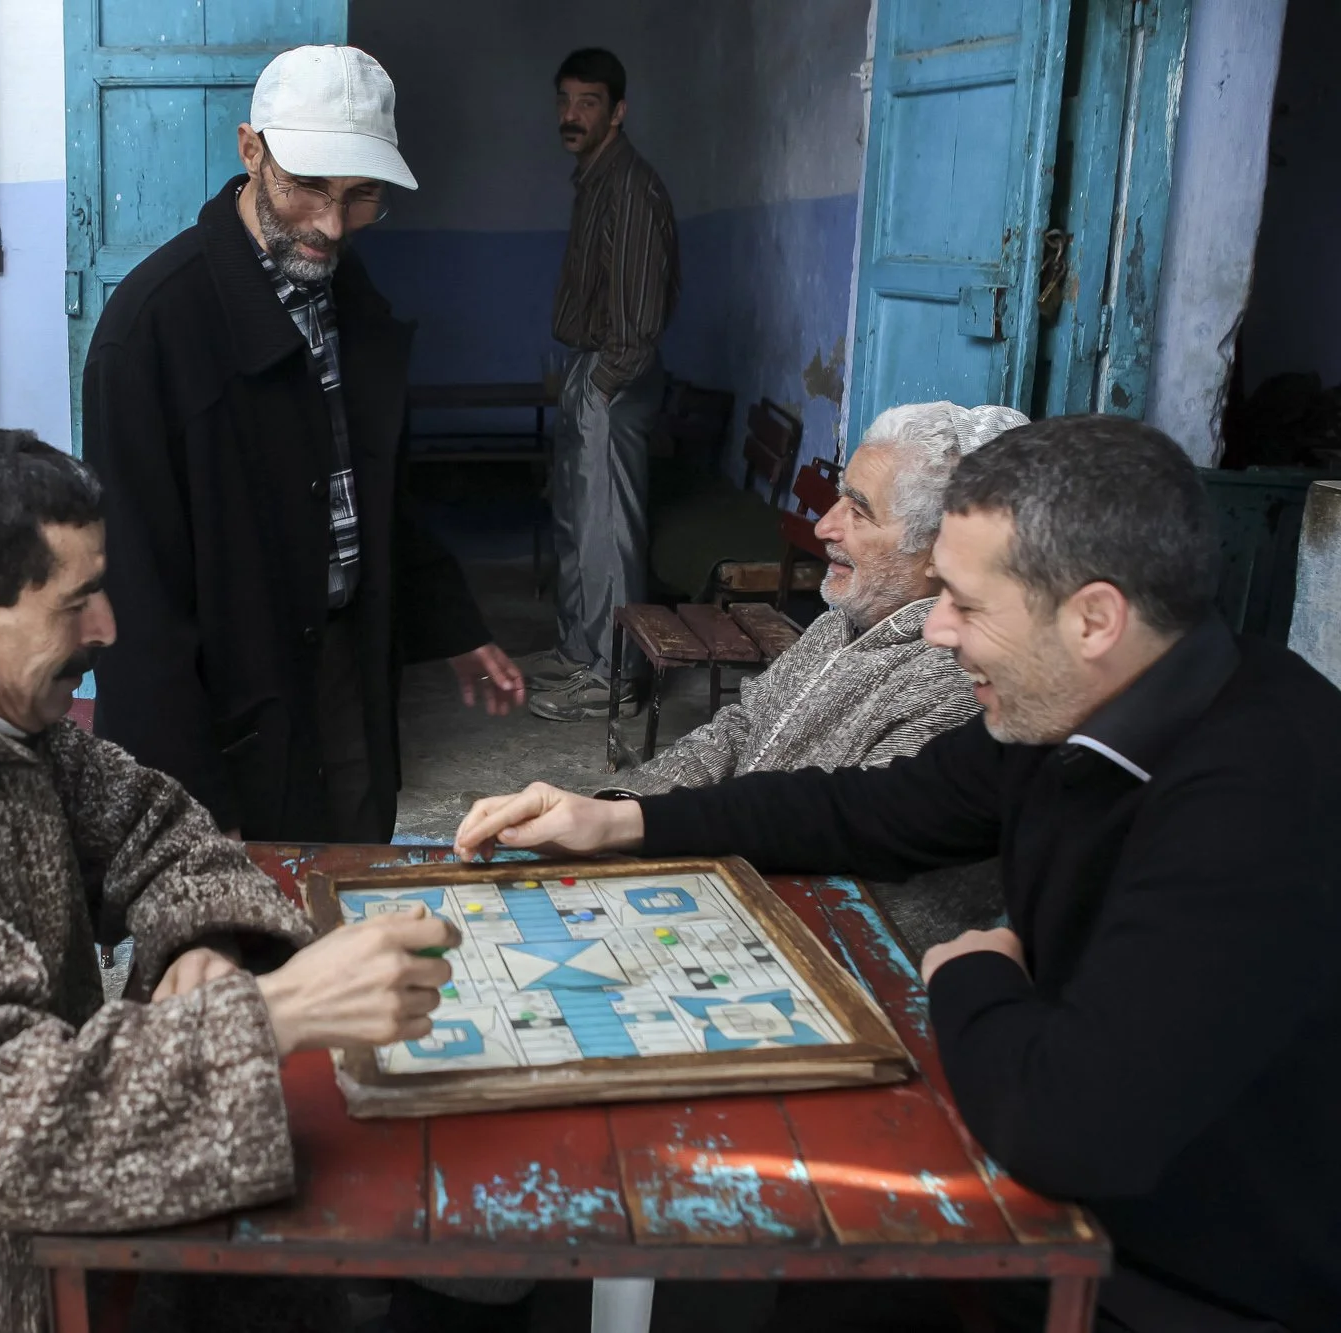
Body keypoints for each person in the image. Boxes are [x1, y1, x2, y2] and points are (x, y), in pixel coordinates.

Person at [455, 415, 1341, 1332]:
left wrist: (973, 972)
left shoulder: (1262, 796)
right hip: (1052, 1200)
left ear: (1093, 617)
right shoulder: (1072, 705)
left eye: (965, 602)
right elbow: (865, 809)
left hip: (1183, 1282)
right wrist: (619, 819)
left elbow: (1072, 1126)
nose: (941, 632)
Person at [0, 428, 459, 1333]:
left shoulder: (2, 730)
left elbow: (161, 825)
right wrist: (277, 1014)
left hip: (18, 1253)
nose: (108, 627)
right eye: (76, 601)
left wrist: (203, 937)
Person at [82, 44, 524, 845]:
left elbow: (378, 491)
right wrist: (171, 817)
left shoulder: (350, 298)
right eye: (308, 187)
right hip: (222, 695)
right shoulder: (153, 330)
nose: (330, 224)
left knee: (348, 889)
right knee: (235, 930)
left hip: (343, 665)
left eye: (361, 198)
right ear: (251, 151)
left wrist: (451, 621)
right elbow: (137, 604)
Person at [610, 402, 1027, 797]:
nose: (823, 527)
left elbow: (836, 842)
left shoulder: (947, 688)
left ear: (942, 548)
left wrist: (648, 829)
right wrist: (628, 801)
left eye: (859, 512)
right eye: (838, 498)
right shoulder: (840, 622)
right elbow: (742, 725)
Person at [526, 48, 680, 723]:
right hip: (591, 369)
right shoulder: (594, 179)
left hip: (617, 377)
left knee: (608, 533)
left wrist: (599, 386)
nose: (571, 114)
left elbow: (639, 326)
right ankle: (580, 650)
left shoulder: (631, 186)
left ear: (617, 112)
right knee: (577, 524)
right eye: (565, 100)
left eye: (588, 102)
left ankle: (615, 677)